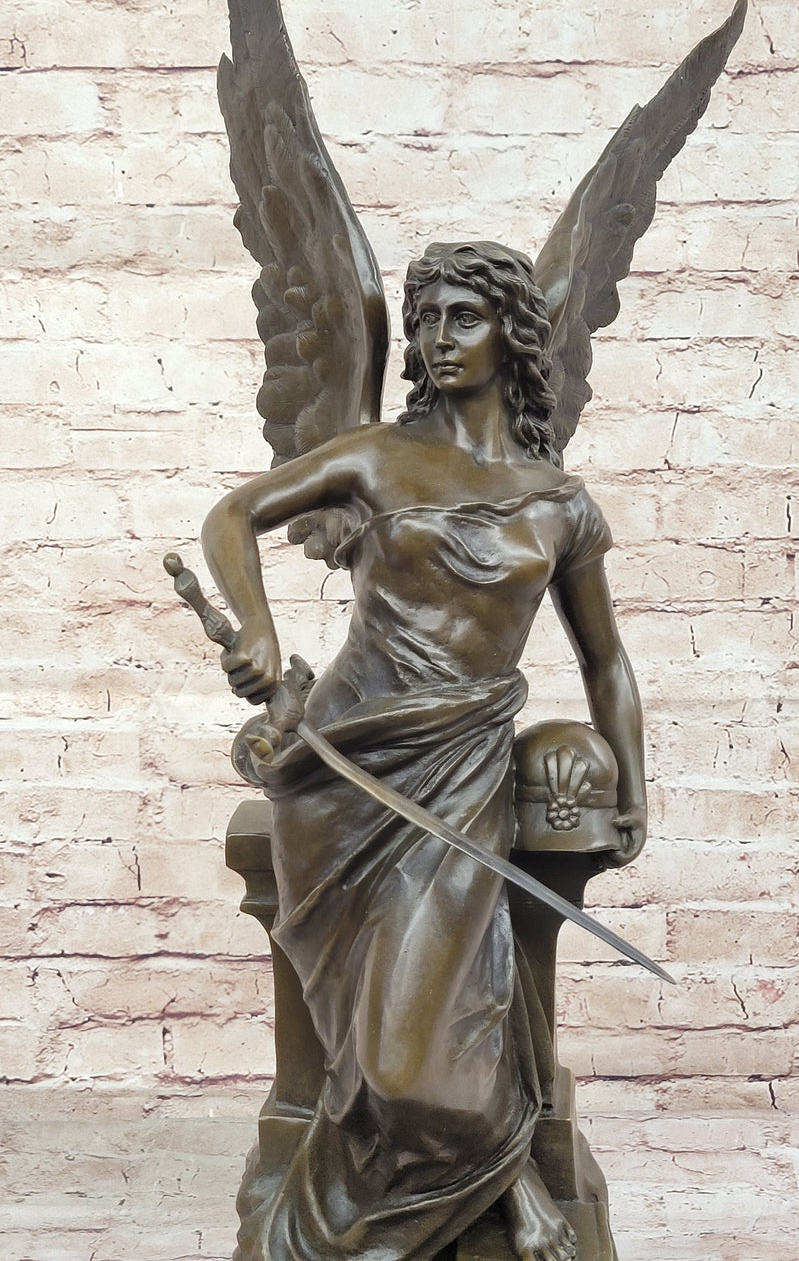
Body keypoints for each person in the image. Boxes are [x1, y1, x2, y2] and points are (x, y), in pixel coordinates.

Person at [201, 242, 646, 1261]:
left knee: (428, 1031)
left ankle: (499, 1173)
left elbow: (606, 660)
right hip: (344, 764)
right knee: (385, 1046)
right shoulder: (374, 455)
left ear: (512, 336)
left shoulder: (558, 502)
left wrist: (631, 786)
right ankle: (513, 1185)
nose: (438, 338)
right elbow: (234, 514)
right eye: (426, 319)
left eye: (463, 317)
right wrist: (257, 626)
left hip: (461, 769)